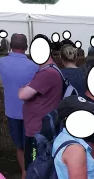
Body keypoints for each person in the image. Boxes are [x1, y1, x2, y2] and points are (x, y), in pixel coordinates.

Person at [0, 33, 38, 179]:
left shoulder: (1, 62)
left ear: (10, 46)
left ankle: (23, 175)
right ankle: (29, 176)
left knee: (19, 146)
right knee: (30, 145)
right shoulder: (34, 66)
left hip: (12, 111)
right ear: (26, 47)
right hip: (30, 112)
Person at [18, 41, 64, 169]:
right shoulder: (50, 71)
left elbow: (22, 94)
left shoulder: (47, 73)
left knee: (35, 167)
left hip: (38, 130)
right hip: (40, 127)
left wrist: (22, 88)